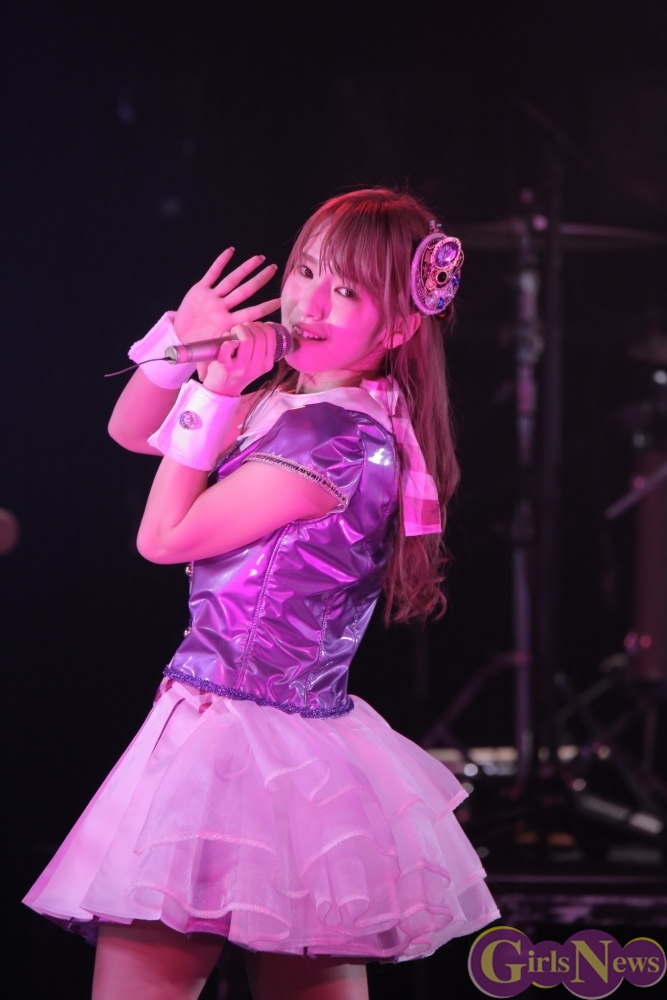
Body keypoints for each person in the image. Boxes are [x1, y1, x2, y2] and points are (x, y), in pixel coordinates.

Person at [24, 188, 499, 1000]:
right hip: (294, 751)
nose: (308, 303)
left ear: (397, 327)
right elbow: (131, 431)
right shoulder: (302, 402)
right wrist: (181, 343)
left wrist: (214, 391)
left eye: (345, 290)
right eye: (306, 270)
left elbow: (162, 538)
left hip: (233, 737)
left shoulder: (333, 440)